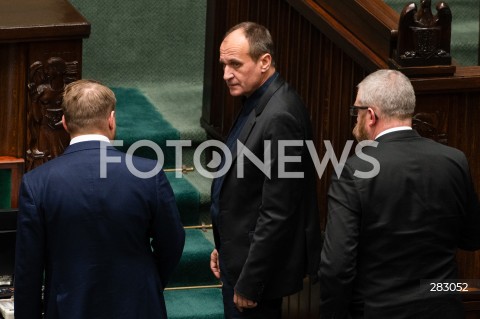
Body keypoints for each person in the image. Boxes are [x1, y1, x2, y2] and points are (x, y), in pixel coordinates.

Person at [14, 79, 185, 319]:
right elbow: (172, 243)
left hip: (68, 309)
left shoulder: (37, 183)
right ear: (111, 120)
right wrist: (146, 284)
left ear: (64, 123)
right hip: (138, 306)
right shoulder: (148, 174)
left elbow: (28, 270)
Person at [319, 69, 480, 319]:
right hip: (443, 308)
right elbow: (472, 238)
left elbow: (337, 266)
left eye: (356, 112)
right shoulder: (454, 160)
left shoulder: (354, 170)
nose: (355, 120)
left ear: (371, 115)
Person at [209, 21, 322, 318]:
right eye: (223, 65)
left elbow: (278, 211)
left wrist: (250, 281)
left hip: (256, 277)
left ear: (264, 61)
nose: (226, 74)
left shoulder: (280, 115)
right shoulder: (258, 101)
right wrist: (226, 246)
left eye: (235, 64)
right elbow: (246, 193)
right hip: (240, 258)